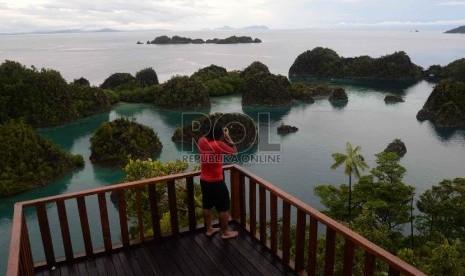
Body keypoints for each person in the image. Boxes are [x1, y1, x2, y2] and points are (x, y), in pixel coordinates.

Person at [197, 122, 238, 239]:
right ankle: (225, 232)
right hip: (216, 181)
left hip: (204, 180)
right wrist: (228, 137)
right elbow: (234, 152)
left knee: (207, 205)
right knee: (224, 207)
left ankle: (209, 229)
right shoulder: (218, 144)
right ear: (219, 134)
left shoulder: (201, 141)